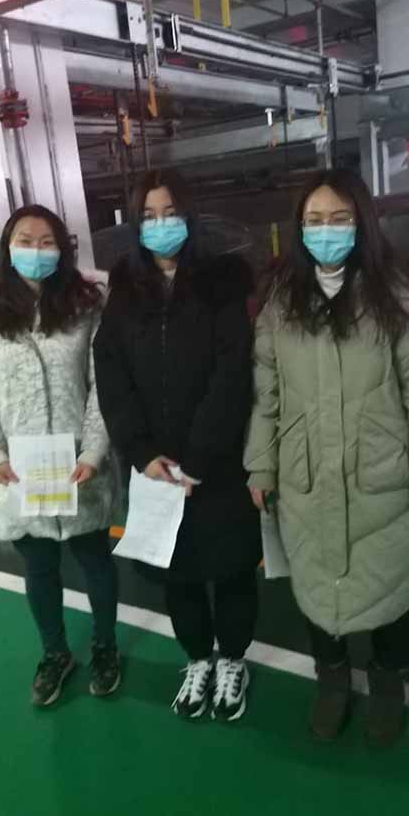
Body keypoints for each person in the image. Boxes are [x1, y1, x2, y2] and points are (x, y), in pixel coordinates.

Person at [245, 169, 409, 747]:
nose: (327, 231)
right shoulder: (281, 302)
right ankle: (332, 679)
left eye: (339, 219)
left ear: (362, 224)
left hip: (380, 475)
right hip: (307, 474)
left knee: (390, 584)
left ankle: (388, 682)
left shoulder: (394, 297)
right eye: (314, 220)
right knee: (316, 585)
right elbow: (266, 391)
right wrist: (261, 465)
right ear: (298, 229)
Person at [94, 169, 262, 722]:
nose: (160, 224)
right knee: (177, 574)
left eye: (170, 213)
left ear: (190, 218)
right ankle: (197, 659)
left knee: (232, 569)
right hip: (156, 469)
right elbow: (111, 373)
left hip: (217, 464)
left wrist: (198, 458)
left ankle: (232, 661)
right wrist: (142, 453)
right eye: (148, 215)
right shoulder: (126, 291)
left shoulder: (221, 284)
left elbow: (232, 373)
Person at [0, 204, 120, 708]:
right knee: (40, 566)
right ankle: (55, 653)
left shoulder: (86, 305)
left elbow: (103, 384)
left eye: (46, 241)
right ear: (7, 249)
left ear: (63, 249)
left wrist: (94, 450)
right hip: (21, 469)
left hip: (79, 465)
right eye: (25, 241)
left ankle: (105, 648)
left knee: (95, 560)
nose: (36, 250)